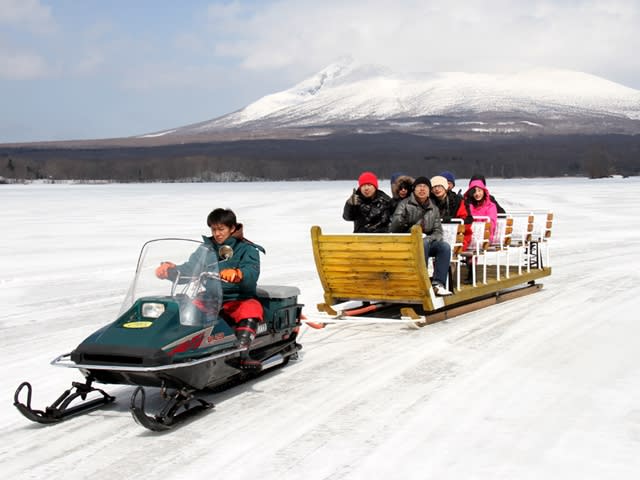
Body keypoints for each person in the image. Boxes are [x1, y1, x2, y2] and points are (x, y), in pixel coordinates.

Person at [155, 208, 265, 370]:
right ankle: (173, 349)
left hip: (238, 297)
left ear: (232, 228)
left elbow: (251, 271)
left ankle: (242, 354)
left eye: (221, 229)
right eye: (214, 229)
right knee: (183, 310)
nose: (217, 234)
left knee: (250, 310)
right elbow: (190, 268)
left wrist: (238, 274)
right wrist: (171, 271)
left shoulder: (247, 249)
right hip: (211, 297)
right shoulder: (206, 249)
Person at [389, 176, 452, 296]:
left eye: (425, 187)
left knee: (444, 247)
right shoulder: (404, 204)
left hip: (426, 242)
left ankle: (438, 284)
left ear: (429, 191)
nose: (422, 189)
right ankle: (420, 281)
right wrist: (409, 227)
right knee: (423, 243)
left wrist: (427, 238)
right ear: (414, 189)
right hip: (407, 242)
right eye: (419, 186)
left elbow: (438, 232)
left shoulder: (434, 209)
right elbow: (394, 227)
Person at [430, 175, 472, 250]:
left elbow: (467, 220)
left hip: (456, 235)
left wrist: (451, 222)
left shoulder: (457, 201)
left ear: (445, 187)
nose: (437, 189)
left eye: (440, 186)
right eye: (434, 187)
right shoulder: (428, 202)